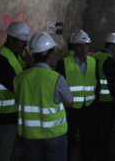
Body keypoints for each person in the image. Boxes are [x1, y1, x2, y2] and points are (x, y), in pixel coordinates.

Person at [13, 32, 73, 161]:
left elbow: (18, 99)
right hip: (54, 135)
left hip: (29, 135)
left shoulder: (20, 78)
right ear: (50, 54)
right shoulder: (56, 78)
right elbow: (69, 102)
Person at [0, 20, 31, 161]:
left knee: (15, 154)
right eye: (22, 42)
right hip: (4, 119)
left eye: (26, 42)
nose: (25, 46)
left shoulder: (15, 56)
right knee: (3, 155)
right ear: (11, 39)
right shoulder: (0, 60)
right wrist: (30, 68)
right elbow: (17, 86)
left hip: (14, 116)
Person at [56, 29, 97, 160]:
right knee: (68, 140)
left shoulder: (94, 62)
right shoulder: (64, 63)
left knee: (88, 141)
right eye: (79, 45)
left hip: (88, 107)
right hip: (71, 108)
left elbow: (97, 84)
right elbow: (58, 87)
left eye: (85, 45)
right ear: (74, 47)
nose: (83, 48)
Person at [93, 32, 115, 161]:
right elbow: (111, 84)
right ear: (114, 45)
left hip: (95, 100)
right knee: (105, 132)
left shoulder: (95, 56)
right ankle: (102, 156)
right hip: (107, 102)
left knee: (96, 129)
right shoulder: (109, 60)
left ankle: (94, 153)